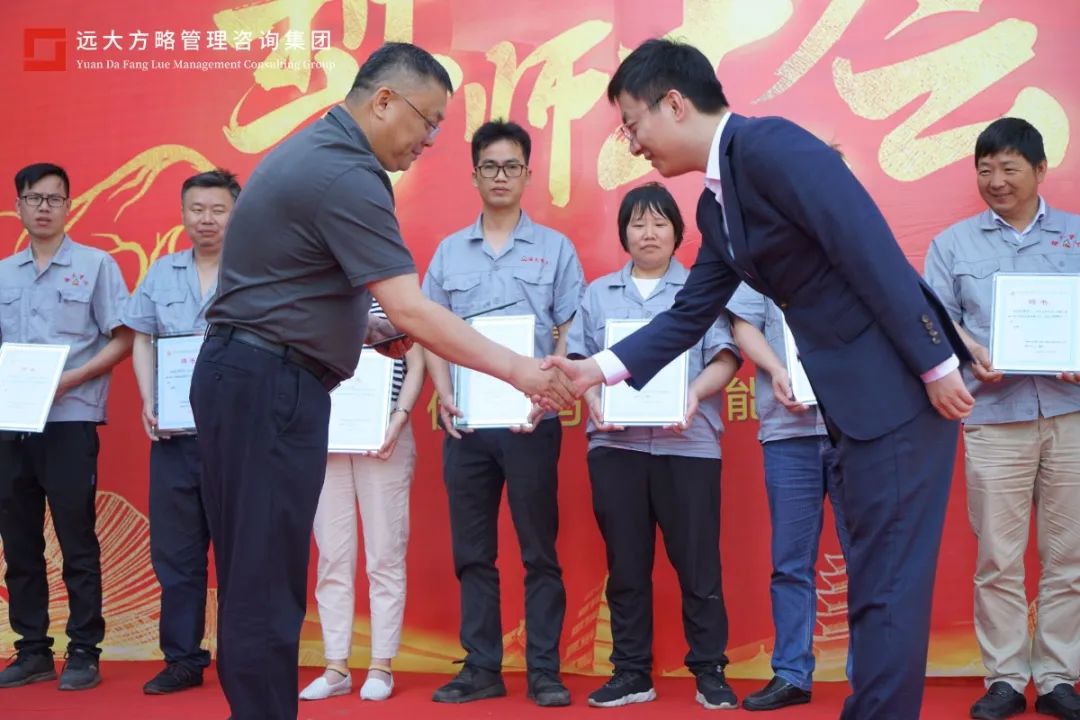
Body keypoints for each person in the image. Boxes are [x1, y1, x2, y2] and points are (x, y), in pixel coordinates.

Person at [541, 38, 975, 719]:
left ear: (674, 103)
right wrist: (592, 369)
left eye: (632, 124)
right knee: (873, 583)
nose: (632, 144)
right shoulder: (716, 208)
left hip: (899, 392)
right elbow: (689, 315)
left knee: (890, 586)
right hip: (851, 405)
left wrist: (937, 363)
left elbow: (868, 246)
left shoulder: (772, 147)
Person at [189, 42, 574, 720]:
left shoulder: (321, 153)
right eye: (428, 121)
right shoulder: (348, 172)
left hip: (258, 377)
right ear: (384, 101)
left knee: (265, 576)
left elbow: (298, 293)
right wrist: (520, 370)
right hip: (266, 385)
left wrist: (359, 332)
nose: (429, 140)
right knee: (263, 583)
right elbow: (411, 308)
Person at [422, 119, 584, 707]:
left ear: (527, 174)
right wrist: (444, 393)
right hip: (467, 424)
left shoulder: (555, 249)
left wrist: (550, 393)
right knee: (473, 553)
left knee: (539, 550)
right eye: (489, 166)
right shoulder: (448, 252)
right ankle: (481, 667)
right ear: (474, 175)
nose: (500, 176)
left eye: (511, 166)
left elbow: (570, 329)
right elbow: (429, 330)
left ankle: (543, 670)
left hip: (530, 422)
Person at [923, 118, 1080, 720]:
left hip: (1069, 415)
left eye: (1009, 167)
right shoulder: (953, 245)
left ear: (1040, 171)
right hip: (993, 418)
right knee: (998, 558)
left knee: (1069, 556)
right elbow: (933, 320)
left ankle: (1059, 677)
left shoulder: (1075, 236)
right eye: (985, 169)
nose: (996, 180)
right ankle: (1007, 680)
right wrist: (969, 350)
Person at [567, 182, 740, 710]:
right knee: (626, 566)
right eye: (638, 223)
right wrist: (595, 400)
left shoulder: (699, 291)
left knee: (698, 566)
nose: (648, 233)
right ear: (623, 234)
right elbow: (578, 362)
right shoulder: (598, 295)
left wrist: (693, 393)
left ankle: (709, 670)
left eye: (660, 223)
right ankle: (631, 672)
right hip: (615, 446)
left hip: (688, 445)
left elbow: (726, 357)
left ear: (677, 233)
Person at [0, 163, 132, 691]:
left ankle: (83, 650)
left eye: (54, 199)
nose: (44, 208)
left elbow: (123, 338)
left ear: (69, 205)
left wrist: (71, 378)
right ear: (18, 206)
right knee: (18, 542)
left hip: (70, 417)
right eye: (34, 198)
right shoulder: (3, 274)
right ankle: (32, 649)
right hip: (11, 423)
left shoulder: (97, 266)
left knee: (76, 537)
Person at [124, 169, 241, 695]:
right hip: (174, 439)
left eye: (218, 209)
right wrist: (149, 399)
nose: (206, 219)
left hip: (235, 441)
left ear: (236, 214)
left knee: (239, 552)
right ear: (183, 213)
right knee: (177, 554)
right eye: (197, 209)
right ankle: (182, 660)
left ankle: (241, 656)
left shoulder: (254, 272)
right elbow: (142, 338)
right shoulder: (161, 272)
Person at [726, 283, 852, 711]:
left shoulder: (855, 255)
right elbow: (744, 325)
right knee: (790, 563)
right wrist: (778, 369)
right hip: (788, 431)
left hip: (854, 429)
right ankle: (791, 674)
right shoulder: (759, 261)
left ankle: (870, 675)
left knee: (866, 560)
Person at [299, 298, 425, 703]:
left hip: (384, 435)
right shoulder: (316, 294)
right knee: (332, 555)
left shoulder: (395, 295)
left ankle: (381, 665)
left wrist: (399, 417)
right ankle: (336, 666)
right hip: (329, 437)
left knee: (385, 553)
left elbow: (417, 362)